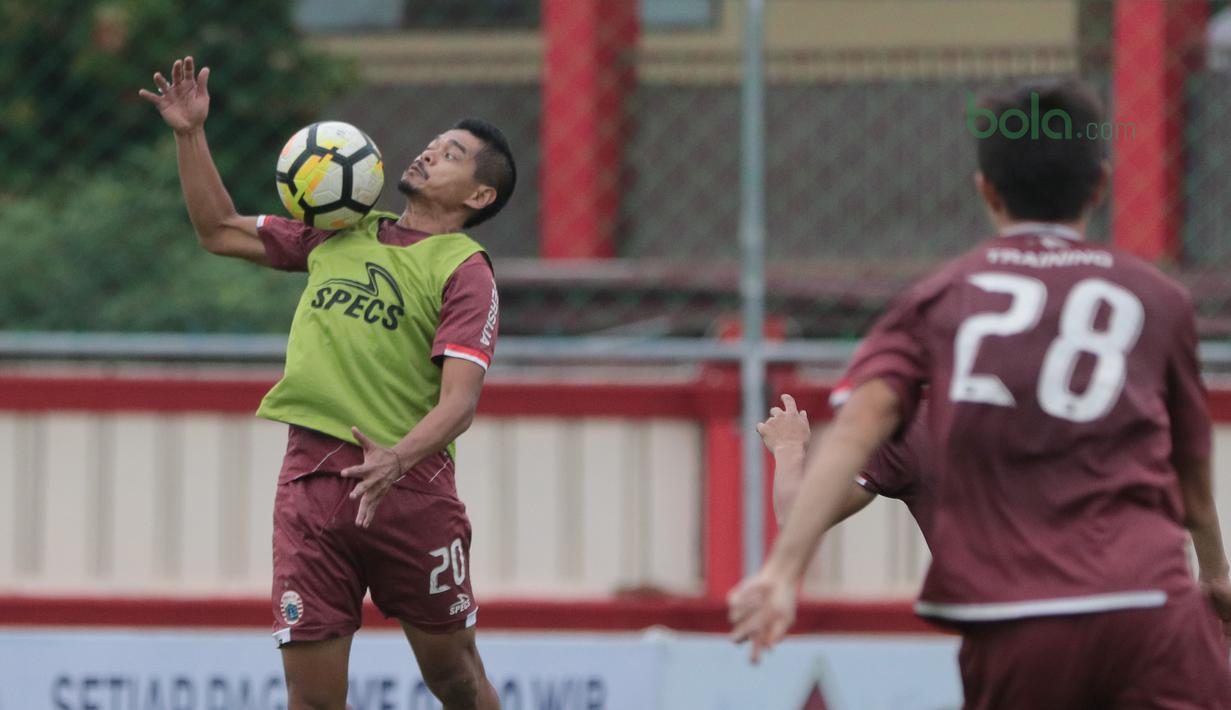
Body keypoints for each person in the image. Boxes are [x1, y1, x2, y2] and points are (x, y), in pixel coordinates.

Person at [730, 79, 1231, 709]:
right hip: (1150, 613)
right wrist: (1215, 577)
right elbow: (1191, 472)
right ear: (1100, 186)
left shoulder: (939, 305)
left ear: (986, 190)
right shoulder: (1156, 301)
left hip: (1019, 623)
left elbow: (861, 421)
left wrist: (782, 567)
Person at [141, 57, 515, 710]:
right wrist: (189, 134)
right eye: (431, 144)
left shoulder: (464, 269)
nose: (429, 152)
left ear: (478, 196)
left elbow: (458, 404)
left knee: (454, 678)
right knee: (310, 700)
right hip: (311, 486)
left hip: (410, 490)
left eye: (451, 153)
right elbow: (217, 230)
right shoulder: (340, 232)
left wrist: (396, 459)